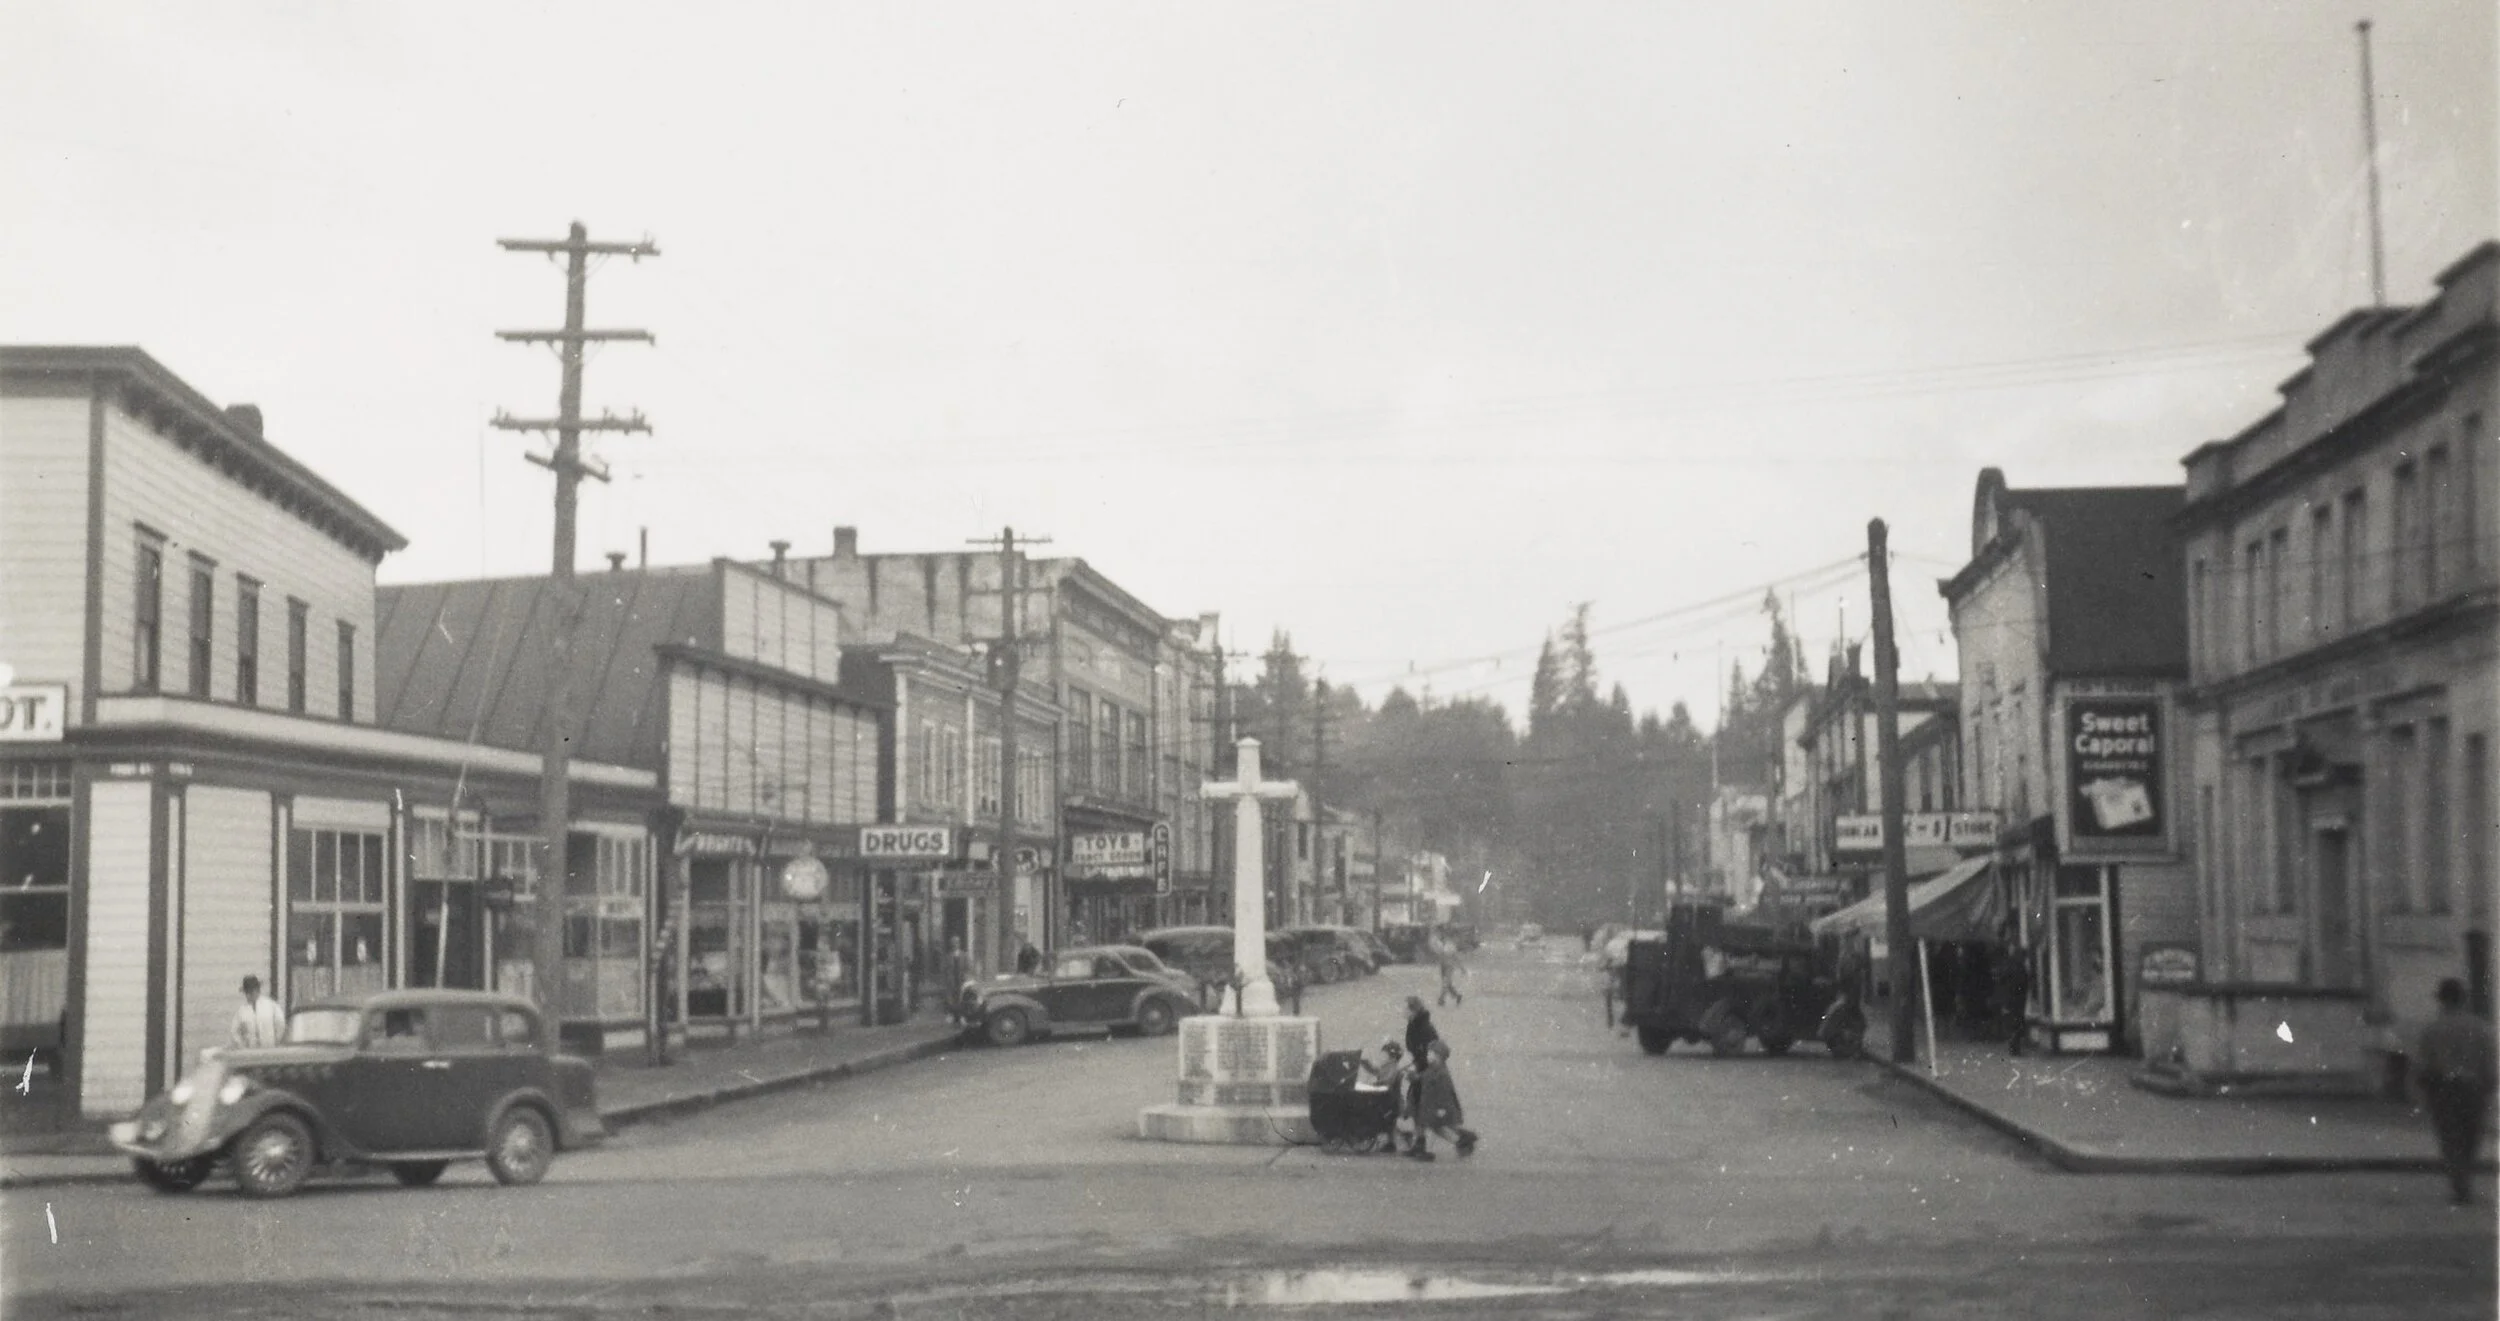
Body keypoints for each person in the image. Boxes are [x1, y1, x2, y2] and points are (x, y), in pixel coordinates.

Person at [2413, 978, 2497, 1207]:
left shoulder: (2432, 1029)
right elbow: (2490, 1065)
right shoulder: (2481, 1028)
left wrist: (2424, 1092)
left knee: (2450, 1138)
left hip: (2444, 1089)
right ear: (2464, 999)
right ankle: (2464, 1180)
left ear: (2442, 1000)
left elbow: (2423, 1066)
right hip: (2474, 1089)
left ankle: (2460, 1184)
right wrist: (2488, 1089)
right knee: (2471, 1137)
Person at [1413, 1037, 1479, 1159]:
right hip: (1430, 1105)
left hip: (1437, 1107)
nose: (1427, 1055)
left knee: (1432, 1128)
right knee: (1438, 1129)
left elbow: (1444, 1092)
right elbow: (1424, 1077)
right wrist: (1415, 1077)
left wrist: (1441, 1108)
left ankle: (1428, 1152)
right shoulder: (1432, 1069)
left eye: (1430, 1053)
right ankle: (1460, 1141)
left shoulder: (1442, 1073)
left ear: (1438, 1056)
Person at [1402, 996, 1440, 1157]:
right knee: (1416, 1105)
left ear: (1413, 1010)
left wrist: (1418, 1069)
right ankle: (1420, 1141)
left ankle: (1424, 1144)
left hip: (1426, 1072)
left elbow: (1430, 1053)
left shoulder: (1424, 1028)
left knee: (1423, 1108)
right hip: (1419, 1070)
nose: (1402, 1011)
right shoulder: (1413, 1024)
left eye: (1405, 1008)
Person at [228, 974, 284, 1048]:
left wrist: (275, 1042)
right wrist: (242, 1046)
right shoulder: (241, 1012)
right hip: (250, 1053)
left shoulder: (271, 1006)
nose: (249, 995)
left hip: (270, 1051)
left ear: (257, 990)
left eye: (251, 991)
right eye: (247, 992)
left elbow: (280, 1024)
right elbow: (234, 1032)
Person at [944, 938, 976, 1024]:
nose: (955, 944)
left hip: (962, 980)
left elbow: (969, 967)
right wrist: (947, 979)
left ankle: (962, 1017)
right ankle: (952, 1016)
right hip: (952, 981)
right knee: (951, 999)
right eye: (953, 943)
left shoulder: (964, 955)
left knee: (962, 999)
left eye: (956, 942)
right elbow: (945, 969)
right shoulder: (948, 956)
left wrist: (967, 976)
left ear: (959, 944)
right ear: (951, 944)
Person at [1435, 936, 1467, 1007]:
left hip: (1449, 966)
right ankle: (1457, 996)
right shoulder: (1440, 945)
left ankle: (1441, 999)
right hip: (1443, 966)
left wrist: (1462, 968)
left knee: (1445, 983)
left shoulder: (1450, 946)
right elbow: (1440, 956)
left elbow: (1456, 957)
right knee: (1447, 984)